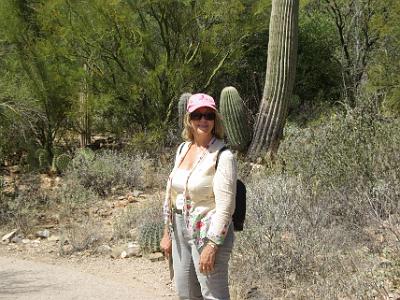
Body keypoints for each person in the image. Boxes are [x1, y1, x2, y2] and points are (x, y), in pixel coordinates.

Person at [160, 93, 237, 300]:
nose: (203, 120)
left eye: (208, 115)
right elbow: (172, 194)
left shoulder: (223, 156)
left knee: (213, 295)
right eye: (197, 115)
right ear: (189, 119)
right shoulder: (183, 149)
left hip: (207, 231)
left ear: (215, 119)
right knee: (186, 293)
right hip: (179, 228)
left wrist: (212, 246)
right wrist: (167, 233)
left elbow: (226, 207)